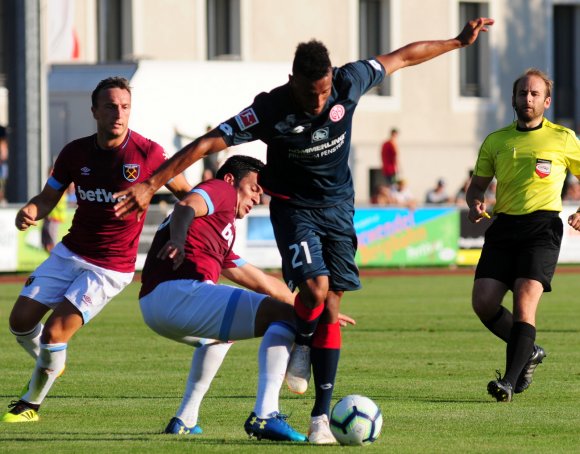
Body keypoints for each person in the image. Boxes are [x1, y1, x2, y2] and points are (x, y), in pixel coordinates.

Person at [113, 17, 494, 443]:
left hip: (339, 208)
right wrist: (150, 184)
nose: (317, 103)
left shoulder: (350, 81)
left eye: (324, 92)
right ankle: (296, 350)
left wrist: (458, 42)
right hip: (296, 210)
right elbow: (205, 144)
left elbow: (403, 56)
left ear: (332, 78)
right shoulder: (269, 109)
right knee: (313, 290)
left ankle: (319, 419)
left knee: (330, 303)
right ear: (292, 80)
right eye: (310, 93)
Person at [1, 76, 192, 423]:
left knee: (56, 332)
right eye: (110, 106)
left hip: (110, 266)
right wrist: (31, 210)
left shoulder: (148, 153)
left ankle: (30, 404)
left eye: (125, 107)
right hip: (70, 252)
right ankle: (52, 362)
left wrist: (186, 235)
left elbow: (187, 196)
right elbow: (48, 198)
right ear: (94, 112)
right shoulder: (75, 153)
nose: (118, 114)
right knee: (20, 322)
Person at [139, 155, 309, 442]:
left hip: (155, 306)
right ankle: (265, 415)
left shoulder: (218, 231)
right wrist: (178, 241)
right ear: (231, 179)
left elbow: (262, 281)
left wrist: (312, 308)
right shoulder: (221, 189)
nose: (259, 196)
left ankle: (185, 419)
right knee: (282, 317)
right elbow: (183, 208)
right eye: (255, 188)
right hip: (179, 294)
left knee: (221, 335)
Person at [466, 68, 580, 403]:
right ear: (513, 99)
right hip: (503, 227)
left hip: (542, 227)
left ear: (546, 101)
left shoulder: (563, 137)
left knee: (524, 298)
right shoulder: (497, 140)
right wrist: (475, 202)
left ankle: (509, 383)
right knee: (483, 302)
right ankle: (528, 351)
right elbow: (477, 185)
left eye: (534, 94)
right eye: (522, 93)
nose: (527, 99)